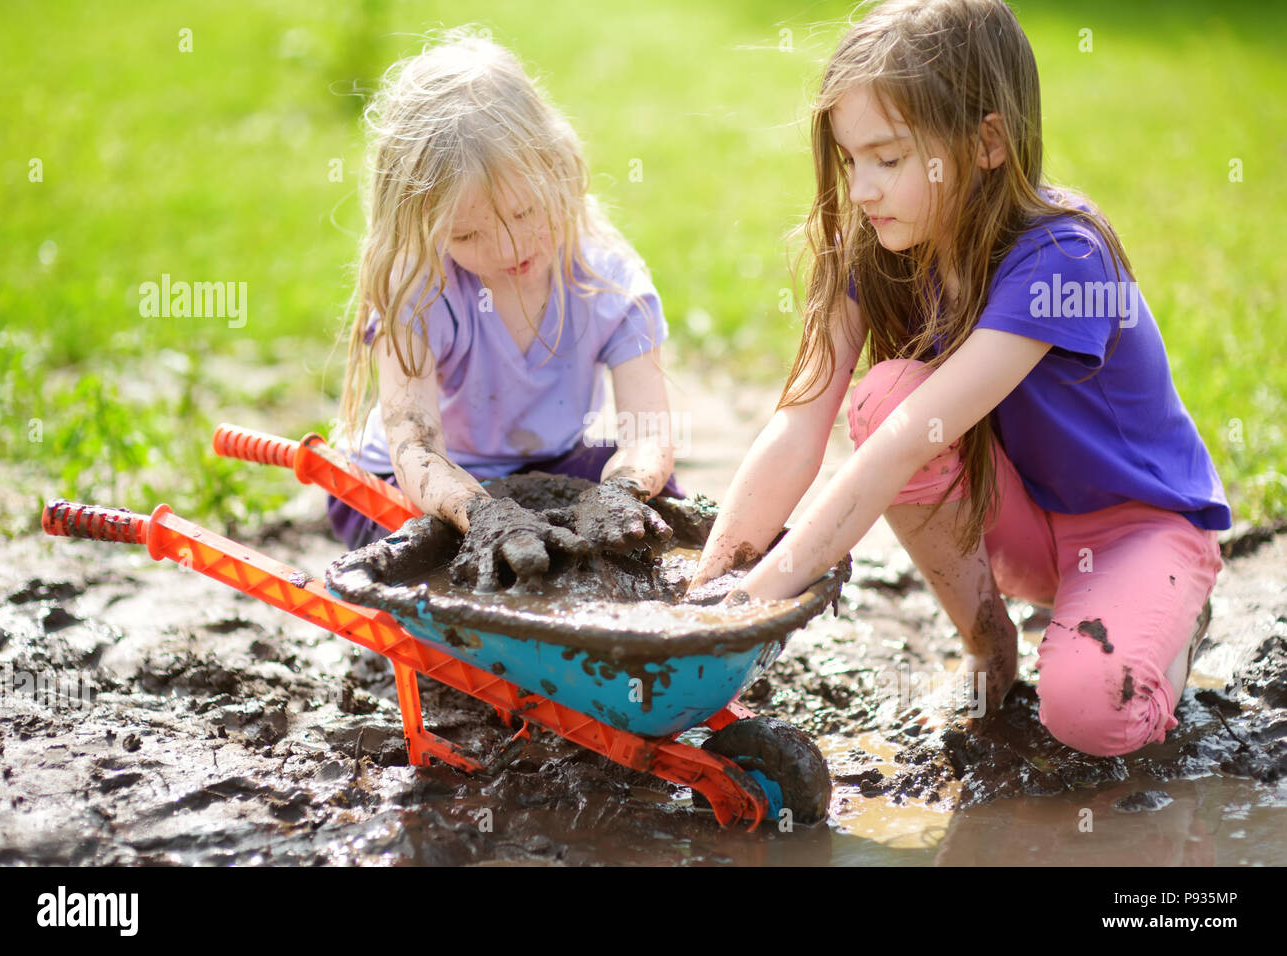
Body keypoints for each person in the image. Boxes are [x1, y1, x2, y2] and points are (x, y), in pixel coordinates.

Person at [689, 0, 1230, 758]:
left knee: (1088, 714)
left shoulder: (1062, 259)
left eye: (889, 158)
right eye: (851, 162)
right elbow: (798, 421)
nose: (865, 189)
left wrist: (755, 601)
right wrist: (707, 594)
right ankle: (990, 645)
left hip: (1135, 530)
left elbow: (903, 451)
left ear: (985, 143)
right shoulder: (875, 249)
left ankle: (1168, 629)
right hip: (1022, 525)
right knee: (884, 396)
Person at [327, 30, 678, 589]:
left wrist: (621, 493)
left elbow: (649, 431)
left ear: (559, 166)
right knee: (438, 558)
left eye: (524, 212)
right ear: (423, 227)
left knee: (652, 519)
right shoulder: (420, 287)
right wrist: (485, 515)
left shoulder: (608, 282)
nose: (508, 249)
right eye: (467, 234)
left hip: (549, 464)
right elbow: (414, 448)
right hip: (421, 482)